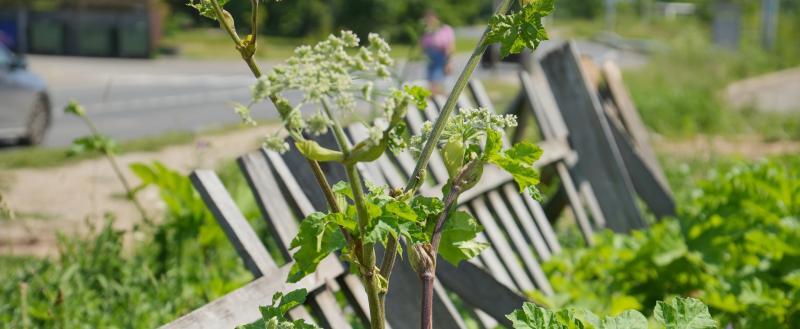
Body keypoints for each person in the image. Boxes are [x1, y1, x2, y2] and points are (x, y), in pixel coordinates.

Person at [420, 10, 455, 95]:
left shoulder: (445, 29)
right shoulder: (426, 31)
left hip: (442, 57)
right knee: (431, 82)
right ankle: (435, 98)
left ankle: (440, 98)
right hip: (430, 58)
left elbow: (450, 46)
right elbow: (422, 46)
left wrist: (449, 62)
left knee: (439, 82)